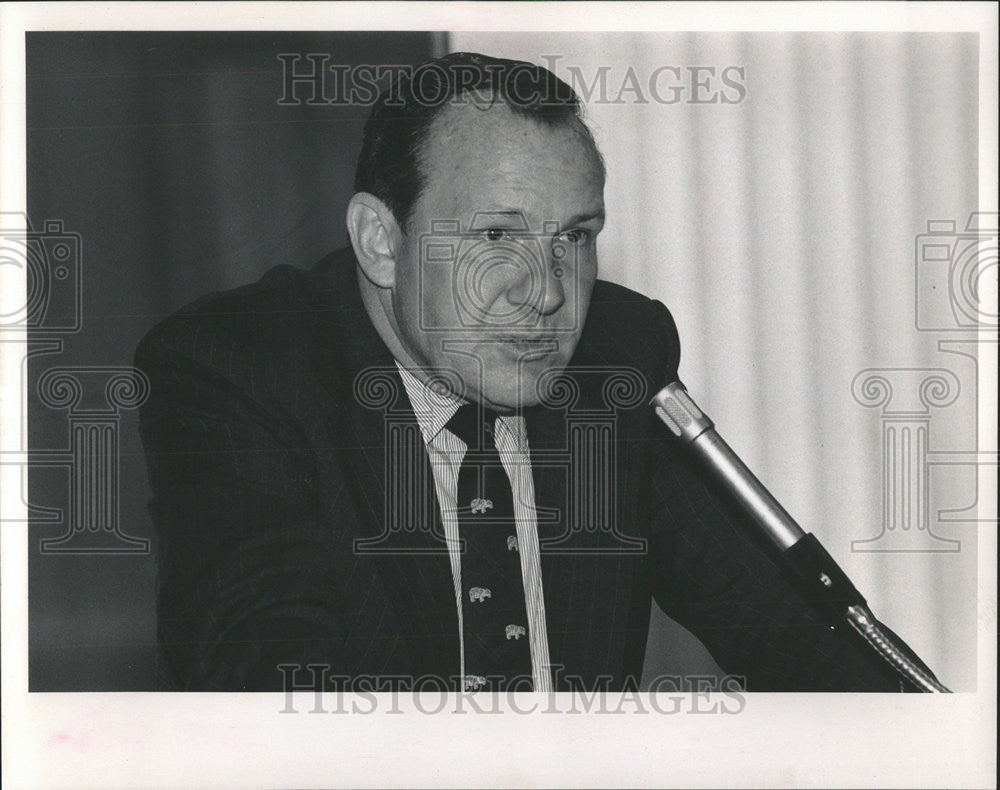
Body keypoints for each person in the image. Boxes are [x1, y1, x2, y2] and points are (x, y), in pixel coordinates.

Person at [136, 52, 904, 692]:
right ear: (380, 240)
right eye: (498, 234)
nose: (545, 292)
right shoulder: (242, 370)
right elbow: (268, 694)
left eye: (573, 237)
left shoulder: (616, 360)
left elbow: (799, 639)